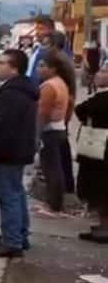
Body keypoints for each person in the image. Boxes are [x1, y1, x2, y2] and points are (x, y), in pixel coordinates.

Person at [0, 49, 39, 258]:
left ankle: (12, 241)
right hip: (17, 150)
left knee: (8, 196)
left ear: (14, 68)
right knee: (16, 193)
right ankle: (19, 235)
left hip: (7, 152)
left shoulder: (12, 93)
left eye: (2, 62)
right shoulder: (20, 89)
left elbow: (3, 127)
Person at [37, 51, 74, 212]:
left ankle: (53, 205)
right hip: (59, 129)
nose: (39, 69)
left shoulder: (49, 86)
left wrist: (36, 134)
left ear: (53, 69)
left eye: (42, 66)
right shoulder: (61, 83)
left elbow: (42, 113)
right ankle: (55, 202)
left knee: (51, 169)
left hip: (50, 131)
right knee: (56, 168)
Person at [74, 69, 108, 243]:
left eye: (104, 72)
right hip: (100, 151)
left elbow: (81, 110)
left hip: (100, 151)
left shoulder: (101, 99)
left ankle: (104, 229)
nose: (98, 75)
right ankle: (102, 226)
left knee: (100, 190)